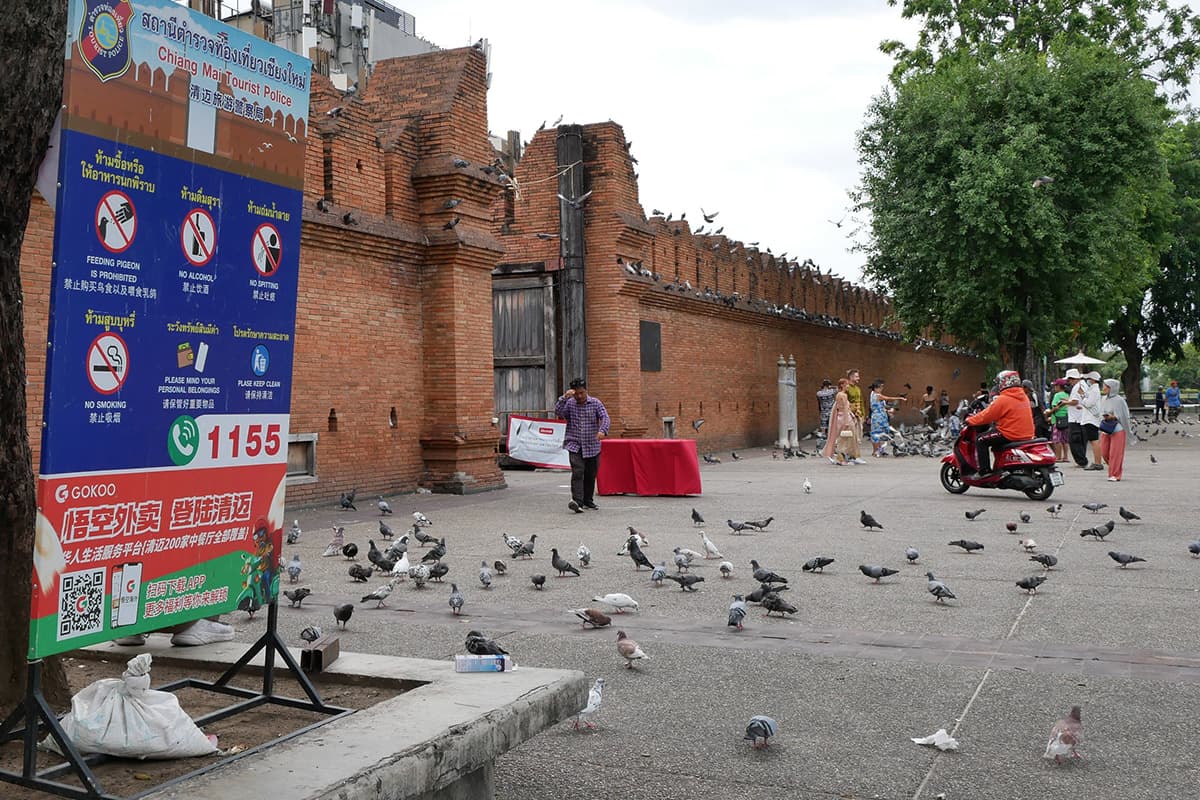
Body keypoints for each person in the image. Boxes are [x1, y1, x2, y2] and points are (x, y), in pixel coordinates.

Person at [965, 370, 1034, 477]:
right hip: (1027, 434)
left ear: (1004, 383)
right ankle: (1000, 467)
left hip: (1010, 434)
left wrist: (970, 420)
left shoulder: (1003, 399)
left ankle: (984, 471)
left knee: (980, 439)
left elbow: (986, 416)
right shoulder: (1023, 397)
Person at [555, 378, 610, 513]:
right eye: (576, 394)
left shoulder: (595, 403)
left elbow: (605, 417)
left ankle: (588, 500)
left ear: (586, 391)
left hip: (592, 444)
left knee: (590, 474)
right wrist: (563, 398)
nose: (579, 396)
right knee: (578, 472)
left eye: (582, 393)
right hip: (574, 444)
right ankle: (577, 502)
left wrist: (602, 430)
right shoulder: (570, 403)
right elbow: (559, 413)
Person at [822, 378, 863, 464]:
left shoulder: (838, 394)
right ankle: (843, 458)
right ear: (842, 385)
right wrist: (846, 421)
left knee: (843, 438)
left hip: (840, 418)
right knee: (847, 439)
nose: (848, 386)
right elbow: (844, 408)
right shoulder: (843, 395)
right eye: (847, 384)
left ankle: (847, 457)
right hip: (845, 417)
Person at [1100, 379, 1129, 481]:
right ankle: (1114, 467)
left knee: (1115, 453)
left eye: (1106, 386)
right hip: (1106, 428)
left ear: (1112, 388)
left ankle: (1115, 474)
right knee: (1104, 452)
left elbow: (1124, 415)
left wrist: (1113, 416)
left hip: (1117, 429)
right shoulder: (1103, 399)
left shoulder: (1119, 400)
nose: (1103, 388)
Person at [868, 379, 904, 457]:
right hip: (878, 416)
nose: (882, 389)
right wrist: (899, 398)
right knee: (876, 433)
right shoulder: (877, 395)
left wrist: (888, 410)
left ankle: (880, 450)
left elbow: (882, 405)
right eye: (881, 387)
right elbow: (888, 398)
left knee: (882, 433)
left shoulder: (873, 394)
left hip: (882, 415)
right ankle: (875, 451)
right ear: (876, 388)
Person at [1063, 369, 1089, 467]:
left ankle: (1081, 460)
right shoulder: (1084, 385)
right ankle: (1082, 459)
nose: (1068, 383)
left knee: (1074, 440)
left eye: (1069, 380)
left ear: (1073, 379)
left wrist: (1065, 402)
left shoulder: (1077, 386)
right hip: (1081, 417)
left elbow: (1075, 401)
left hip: (1075, 418)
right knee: (1081, 440)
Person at [1079, 371, 1104, 470]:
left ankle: (1097, 462)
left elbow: (1089, 403)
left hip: (1091, 419)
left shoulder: (1094, 390)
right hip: (1090, 418)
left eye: (1088, 379)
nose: (1087, 380)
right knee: (1094, 441)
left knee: (1094, 441)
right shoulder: (1092, 389)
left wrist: (1082, 396)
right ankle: (1097, 462)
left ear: (1093, 380)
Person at [1046, 378, 1071, 463]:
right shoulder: (1067, 395)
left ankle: (1058, 457)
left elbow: (1055, 407)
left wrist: (1049, 413)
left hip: (1057, 419)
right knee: (1065, 439)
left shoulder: (1057, 395)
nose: (1054, 387)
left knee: (1057, 439)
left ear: (1059, 386)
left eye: (1055, 385)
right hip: (1066, 418)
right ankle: (1066, 457)